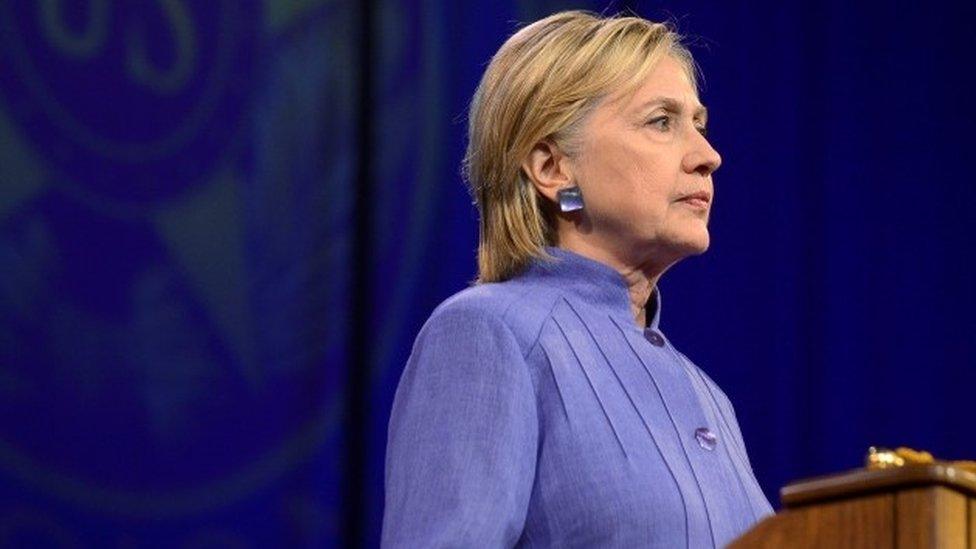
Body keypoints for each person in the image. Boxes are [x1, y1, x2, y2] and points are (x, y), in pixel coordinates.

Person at [382, 10, 773, 548]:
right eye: (662, 122)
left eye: (699, 126)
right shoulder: (487, 333)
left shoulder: (709, 398)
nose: (708, 156)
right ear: (552, 169)